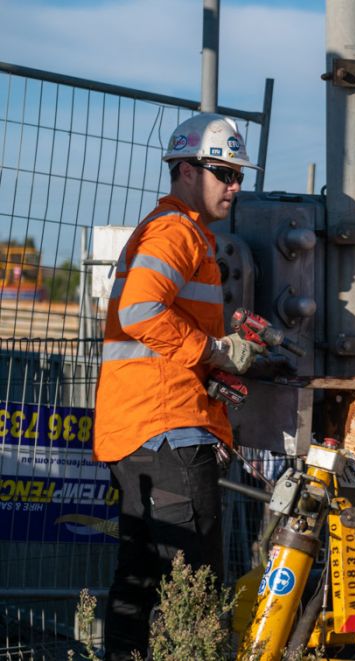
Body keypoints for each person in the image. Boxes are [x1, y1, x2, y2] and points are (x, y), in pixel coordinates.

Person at [93, 113, 264, 660]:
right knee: (193, 593)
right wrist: (214, 352)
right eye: (223, 172)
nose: (234, 186)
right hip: (169, 434)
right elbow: (141, 311)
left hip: (141, 431)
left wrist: (215, 360)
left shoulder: (174, 232)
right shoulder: (175, 231)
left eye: (238, 175)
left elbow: (154, 325)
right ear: (186, 170)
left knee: (140, 587)